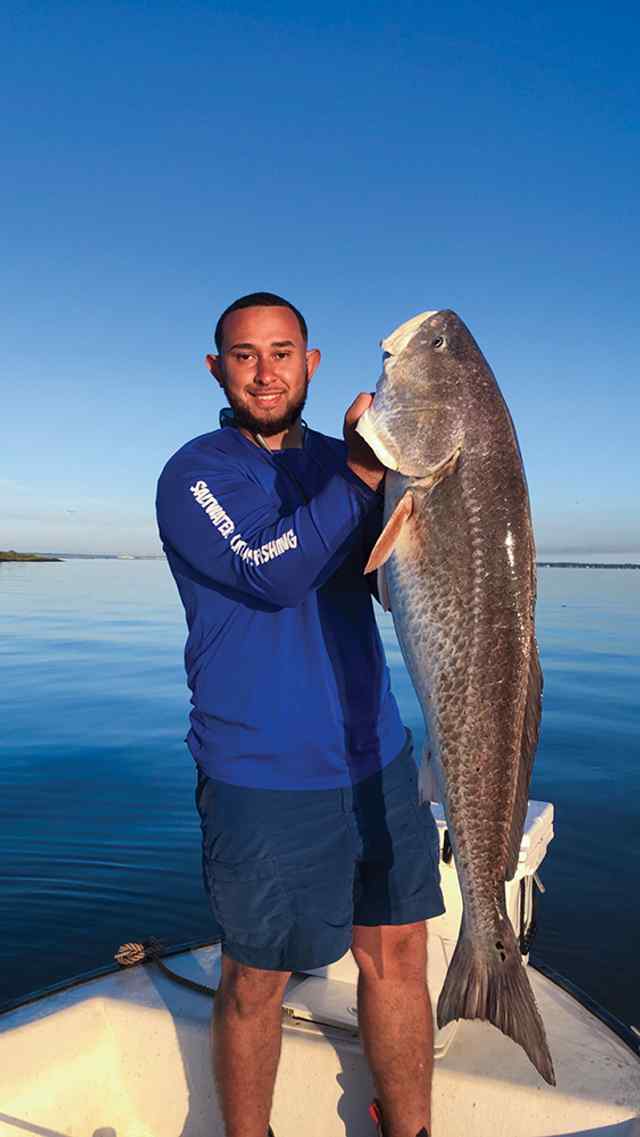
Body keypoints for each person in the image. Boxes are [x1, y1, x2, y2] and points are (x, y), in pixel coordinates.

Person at [155, 292, 444, 1137]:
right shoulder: (198, 472)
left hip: (376, 757)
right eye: (245, 355)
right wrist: (359, 474)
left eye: (283, 351)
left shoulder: (349, 459)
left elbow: (403, 583)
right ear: (218, 369)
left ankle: (412, 1129)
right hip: (262, 774)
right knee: (257, 978)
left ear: (311, 363)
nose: (266, 370)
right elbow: (272, 571)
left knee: (397, 953)